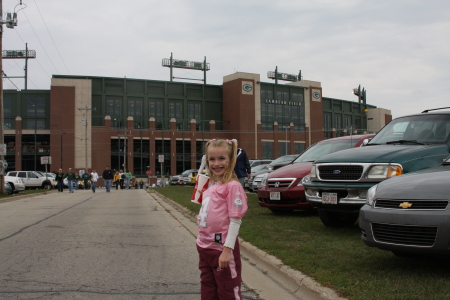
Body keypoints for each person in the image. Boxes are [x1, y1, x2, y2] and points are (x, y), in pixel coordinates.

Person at [196, 138, 248, 299]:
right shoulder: (212, 185)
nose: (216, 163)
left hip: (221, 249)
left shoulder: (232, 187)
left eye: (221, 158)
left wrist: (227, 251)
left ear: (231, 160)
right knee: (208, 288)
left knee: (228, 290)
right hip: (204, 247)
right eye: (211, 159)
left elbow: (235, 220)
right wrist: (203, 165)